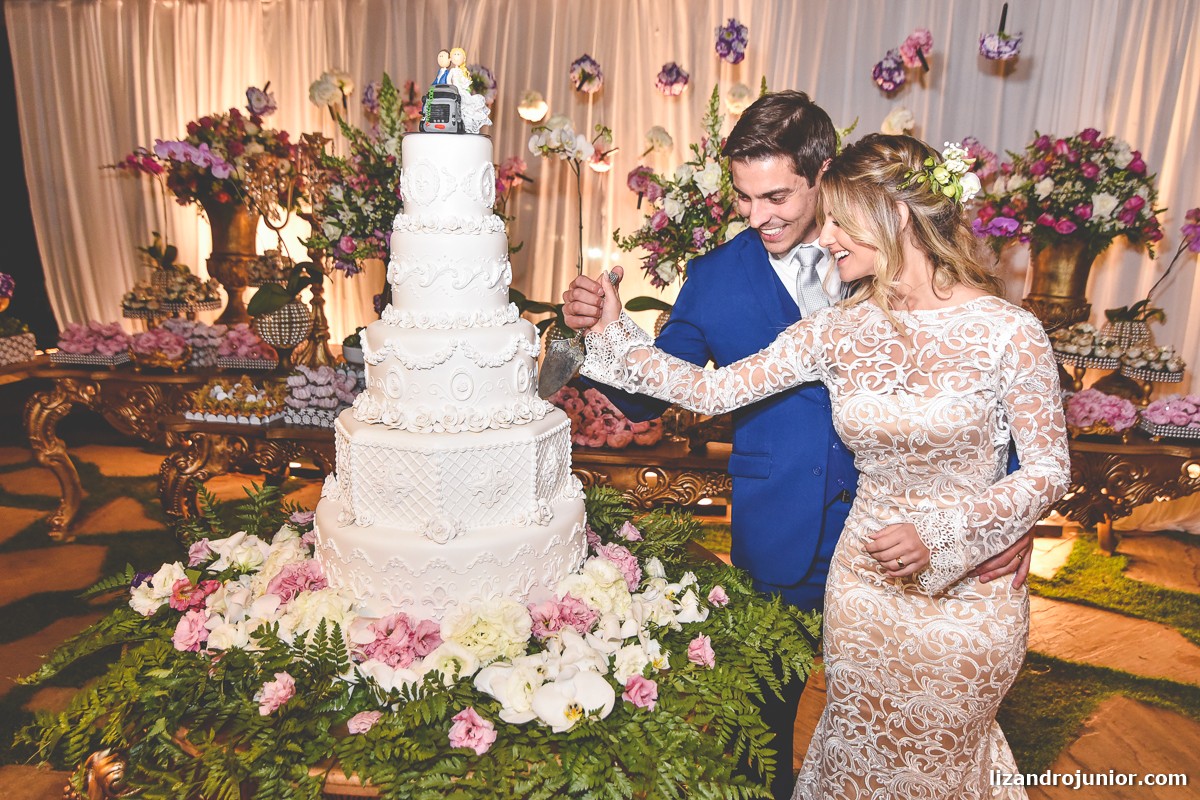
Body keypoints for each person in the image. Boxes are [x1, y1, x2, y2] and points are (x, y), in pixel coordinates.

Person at [563, 92, 1033, 799]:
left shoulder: (904, 269)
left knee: (913, 730)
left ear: (823, 175)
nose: (760, 217)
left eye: (777, 195)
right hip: (780, 531)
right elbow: (666, 389)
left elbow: (991, 397)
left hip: (923, 550)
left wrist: (1006, 515)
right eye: (746, 199)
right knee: (760, 727)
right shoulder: (718, 276)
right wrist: (604, 329)